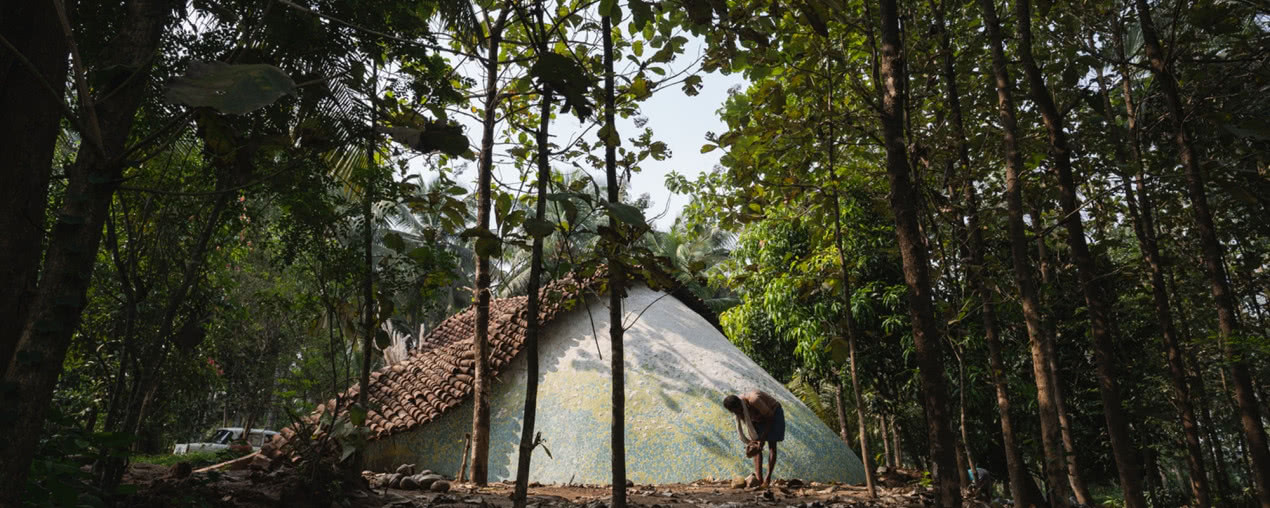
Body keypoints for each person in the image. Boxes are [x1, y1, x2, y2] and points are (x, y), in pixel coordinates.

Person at [722, 390, 784, 487]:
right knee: (756, 447)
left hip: (773, 413)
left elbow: (770, 417)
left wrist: (762, 438)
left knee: (772, 445)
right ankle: (759, 479)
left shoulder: (754, 400)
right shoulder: (739, 411)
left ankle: (767, 479)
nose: (738, 412)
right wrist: (753, 442)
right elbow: (749, 426)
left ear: (740, 404)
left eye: (738, 409)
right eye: (735, 412)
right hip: (758, 418)